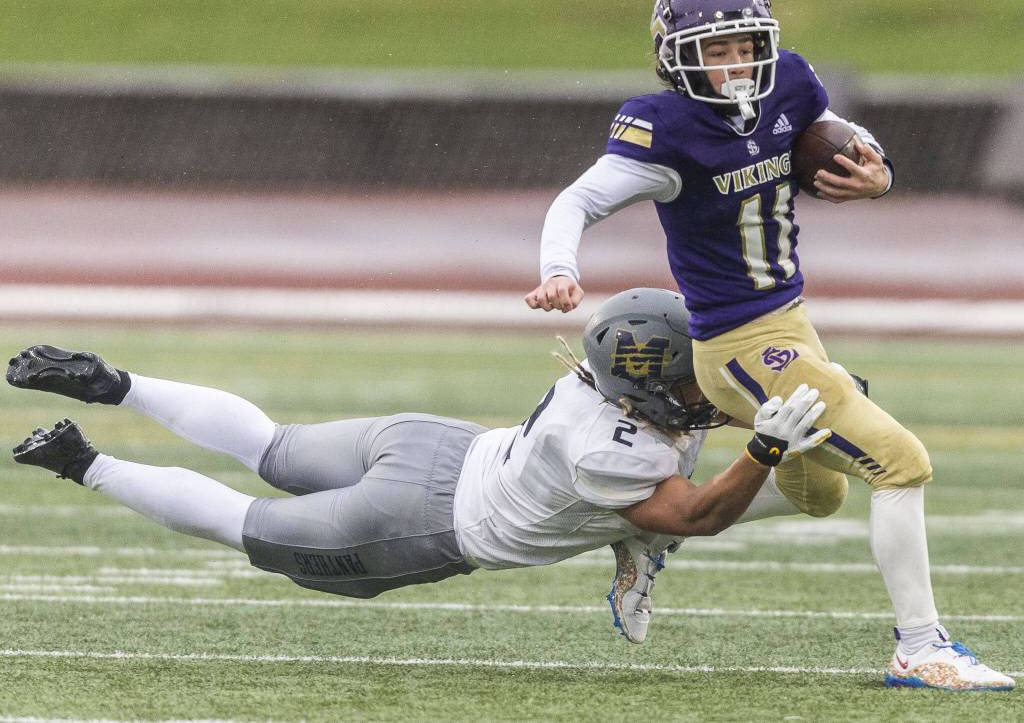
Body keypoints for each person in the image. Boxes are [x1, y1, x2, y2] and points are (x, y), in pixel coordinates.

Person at [524, 0, 1014, 691]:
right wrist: (559, 267)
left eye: (743, 45)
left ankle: (654, 526)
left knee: (822, 493)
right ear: (676, 56)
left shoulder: (788, 80)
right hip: (738, 343)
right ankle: (920, 645)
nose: (734, 63)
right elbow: (579, 200)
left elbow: (841, 137)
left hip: (792, 321)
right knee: (901, 461)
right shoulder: (666, 126)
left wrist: (881, 173)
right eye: (713, 50)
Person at [9, 289, 828, 646]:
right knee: (240, 519)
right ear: (646, 381)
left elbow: (706, 397)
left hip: (434, 443)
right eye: (687, 374)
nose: (704, 385)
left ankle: (117, 383)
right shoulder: (613, 443)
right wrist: (764, 445)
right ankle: (87, 463)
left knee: (270, 445)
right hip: (417, 526)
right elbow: (697, 511)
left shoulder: (604, 384)